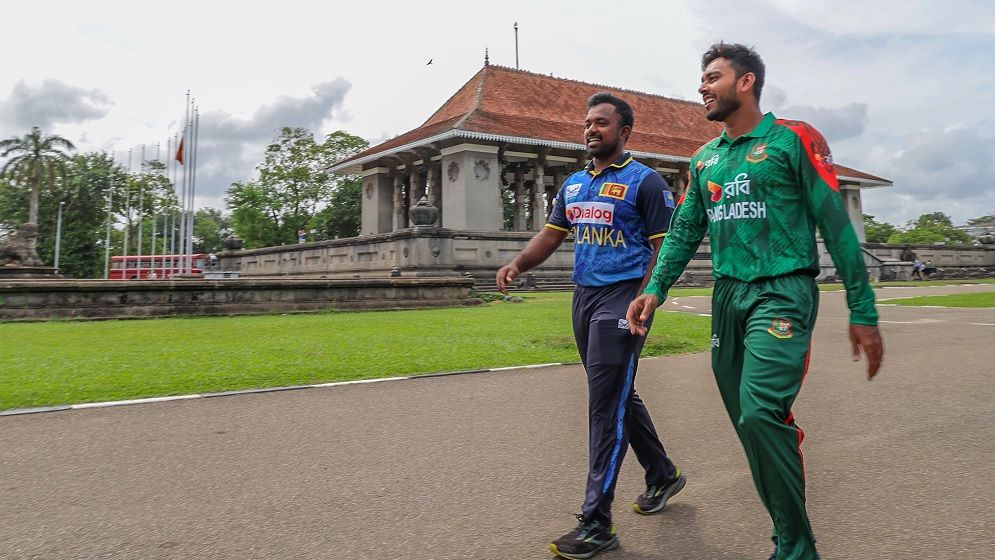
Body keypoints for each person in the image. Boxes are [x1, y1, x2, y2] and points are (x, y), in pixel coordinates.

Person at [626, 43, 884, 560]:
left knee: (761, 413)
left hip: (782, 291)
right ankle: (788, 537)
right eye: (702, 78)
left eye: (713, 77)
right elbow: (683, 230)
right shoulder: (705, 158)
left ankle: (797, 550)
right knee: (752, 426)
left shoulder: (792, 138)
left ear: (746, 82)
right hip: (728, 298)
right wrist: (655, 288)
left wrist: (863, 309)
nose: (702, 86)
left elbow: (833, 220)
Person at [497, 92, 685, 560]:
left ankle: (597, 522)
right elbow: (551, 234)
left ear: (624, 132)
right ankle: (662, 474)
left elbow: (664, 248)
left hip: (625, 296)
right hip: (584, 296)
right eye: (587, 123)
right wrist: (519, 264)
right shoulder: (575, 184)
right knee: (617, 395)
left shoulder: (645, 182)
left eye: (601, 122)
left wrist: (648, 294)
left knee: (604, 405)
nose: (591, 129)